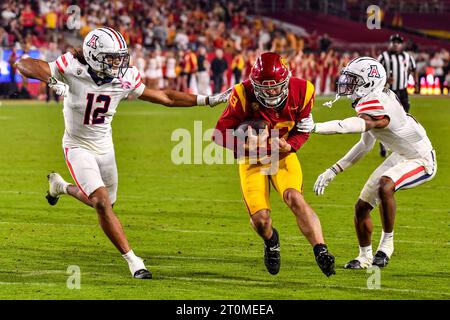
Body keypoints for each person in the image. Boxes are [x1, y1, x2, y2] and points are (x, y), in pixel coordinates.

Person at [15, 27, 229, 280]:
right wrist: (52, 79)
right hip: (77, 145)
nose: (118, 63)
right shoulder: (72, 67)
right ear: (94, 55)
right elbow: (23, 64)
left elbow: (166, 97)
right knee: (102, 203)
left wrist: (208, 100)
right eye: (111, 58)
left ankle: (61, 188)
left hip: (105, 148)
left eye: (119, 57)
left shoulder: (124, 77)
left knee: (106, 203)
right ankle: (134, 261)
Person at [298, 57, 437, 269]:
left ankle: (386, 245)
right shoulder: (372, 101)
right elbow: (365, 145)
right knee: (362, 207)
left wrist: (315, 127)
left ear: (369, 83)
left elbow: (349, 126)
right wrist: (333, 170)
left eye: (353, 80)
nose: (347, 84)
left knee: (385, 183)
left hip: (421, 158)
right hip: (400, 154)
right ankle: (364, 258)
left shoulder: (378, 103)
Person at [213, 52, 336, 277]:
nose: (270, 92)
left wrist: (291, 146)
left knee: (294, 197)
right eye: (264, 87)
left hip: (282, 156)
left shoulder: (304, 90)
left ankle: (321, 249)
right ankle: (271, 241)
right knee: (260, 220)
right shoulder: (242, 93)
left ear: (286, 79)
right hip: (252, 160)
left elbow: (304, 129)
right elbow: (219, 133)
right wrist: (245, 147)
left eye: (275, 86)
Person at [378, 34, 417, 157]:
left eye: (398, 42)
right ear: (390, 43)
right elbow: (375, 72)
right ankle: (384, 143)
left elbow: (413, 69)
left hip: (403, 91)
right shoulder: (383, 57)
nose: (396, 44)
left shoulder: (407, 56)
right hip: (388, 92)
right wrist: (384, 80)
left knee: (405, 118)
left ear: (401, 44)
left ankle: (401, 144)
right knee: (386, 119)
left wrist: (413, 81)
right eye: (393, 42)